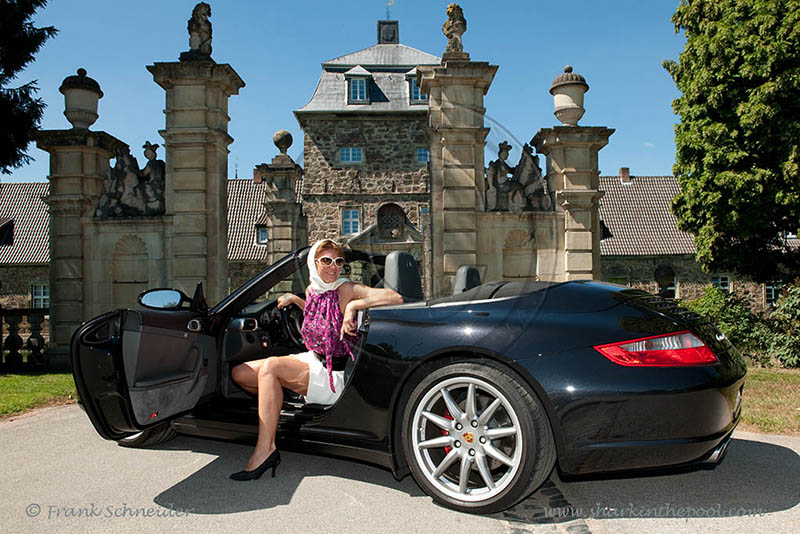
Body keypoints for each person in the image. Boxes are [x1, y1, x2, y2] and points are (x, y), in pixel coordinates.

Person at [229, 239, 403, 480]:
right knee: (240, 373)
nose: (333, 267)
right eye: (326, 261)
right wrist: (295, 300)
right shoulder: (313, 290)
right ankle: (276, 400)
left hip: (333, 375)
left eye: (338, 261)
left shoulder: (346, 289)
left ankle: (265, 450)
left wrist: (354, 306)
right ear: (314, 263)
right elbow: (318, 312)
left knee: (271, 366)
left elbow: (394, 297)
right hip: (313, 359)